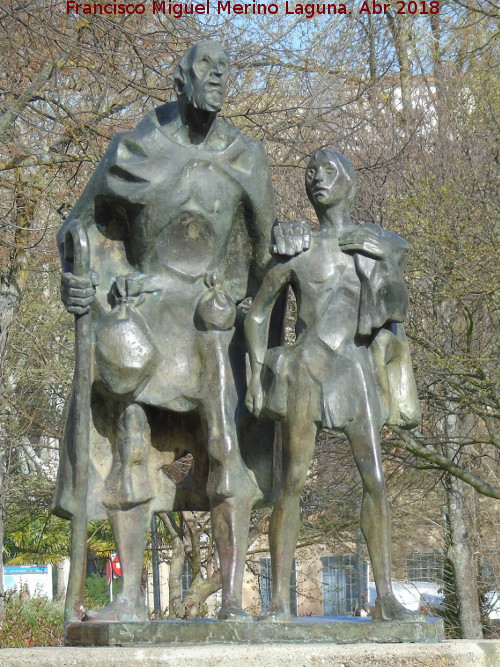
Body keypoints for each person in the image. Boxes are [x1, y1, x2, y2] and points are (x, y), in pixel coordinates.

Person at [55, 40, 303, 622]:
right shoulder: (135, 148)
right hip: (144, 314)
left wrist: (290, 245)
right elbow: (78, 228)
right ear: (180, 78)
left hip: (214, 321)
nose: (216, 79)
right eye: (205, 70)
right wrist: (85, 281)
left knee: (226, 448)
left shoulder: (248, 157)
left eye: (225, 71)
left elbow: (267, 250)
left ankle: (235, 602)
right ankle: (130, 600)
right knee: (130, 441)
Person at [245, 148, 421, 622]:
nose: (317, 180)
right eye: (310, 173)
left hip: (355, 367)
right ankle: (280, 602)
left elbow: (396, 308)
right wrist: (256, 377)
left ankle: (384, 596)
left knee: (376, 481)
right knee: (293, 482)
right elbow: (259, 312)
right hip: (306, 368)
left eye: (328, 172)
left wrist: (385, 258)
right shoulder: (299, 250)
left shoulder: (376, 243)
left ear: (350, 181)